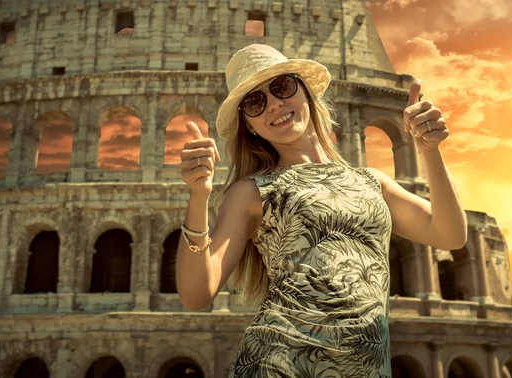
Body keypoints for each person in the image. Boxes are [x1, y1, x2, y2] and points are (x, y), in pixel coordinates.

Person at [176, 44, 467, 377]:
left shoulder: (373, 182)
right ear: (250, 126)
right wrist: (198, 197)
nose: (274, 104)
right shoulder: (252, 191)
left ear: (306, 92)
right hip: (280, 365)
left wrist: (430, 151)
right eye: (255, 103)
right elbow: (197, 294)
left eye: (281, 87)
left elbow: (450, 234)